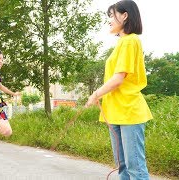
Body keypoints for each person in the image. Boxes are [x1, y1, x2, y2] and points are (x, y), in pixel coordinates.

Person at [85, 0, 153, 179]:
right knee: (123, 168)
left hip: (129, 110)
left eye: (111, 15)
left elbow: (118, 79)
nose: (109, 20)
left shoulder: (130, 41)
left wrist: (95, 94)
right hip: (115, 111)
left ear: (125, 15)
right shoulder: (121, 43)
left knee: (135, 169)